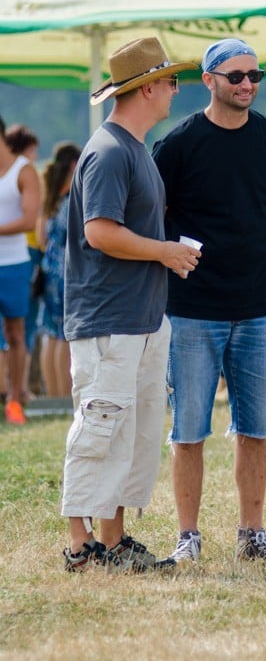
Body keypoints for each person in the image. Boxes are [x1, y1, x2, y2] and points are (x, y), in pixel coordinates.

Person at [151, 38, 266, 565]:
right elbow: (155, 217)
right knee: (188, 428)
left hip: (259, 306)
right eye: (236, 76)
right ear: (208, 80)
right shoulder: (177, 144)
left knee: (255, 428)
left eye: (255, 77)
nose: (247, 85)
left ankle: (253, 534)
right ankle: (187, 536)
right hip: (192, 308)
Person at [61, 36, 200, 573]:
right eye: (170, 81)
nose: (174, 90)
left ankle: (115, 542)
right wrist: (165, 251)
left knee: (135, 435)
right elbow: (99, 232)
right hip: (109, 319)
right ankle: (80, 546)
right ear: (146, 89)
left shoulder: (133, 148)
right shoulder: (110, 151)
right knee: (100, 429)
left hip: (140, 317)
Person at [0, 115, 41, 425]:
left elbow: (29, 220)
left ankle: (15, 399)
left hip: (15, 263)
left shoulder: (23, 171)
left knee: (16, 333)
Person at [37, 141, 82, 397]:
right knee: (66, 335)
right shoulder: (70, 199)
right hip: (67, 270)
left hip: (48, 270)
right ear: (74, 164)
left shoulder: (50, 198)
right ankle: (64, 396)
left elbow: (41, 238)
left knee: (50, 334)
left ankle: (53, 394)